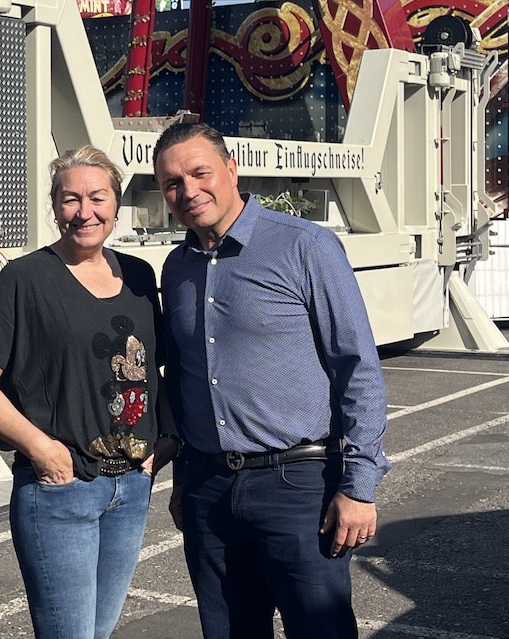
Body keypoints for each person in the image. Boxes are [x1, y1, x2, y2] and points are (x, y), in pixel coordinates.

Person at [152, 118, 391, 639]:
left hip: (297, 487)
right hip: (209, 489)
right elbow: (185, 380)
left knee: (320, 629)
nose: (188, 190)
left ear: (231, 170)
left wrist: (360, 486)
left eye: (200, 173)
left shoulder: (304, 247)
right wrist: (184, 482)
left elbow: (358, 369)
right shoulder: (177, 268)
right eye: (172, 183)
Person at [0, 145, 178, 639]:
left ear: (116, 205)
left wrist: (168, 437)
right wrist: (40, 448)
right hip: (60, 489)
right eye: (70, 199)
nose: (85, 212)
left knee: (98, 632)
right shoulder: (25, 280)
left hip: (131, 487)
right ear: (54, 207)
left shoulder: (139, 276)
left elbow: (154, 368)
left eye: (97, 198)